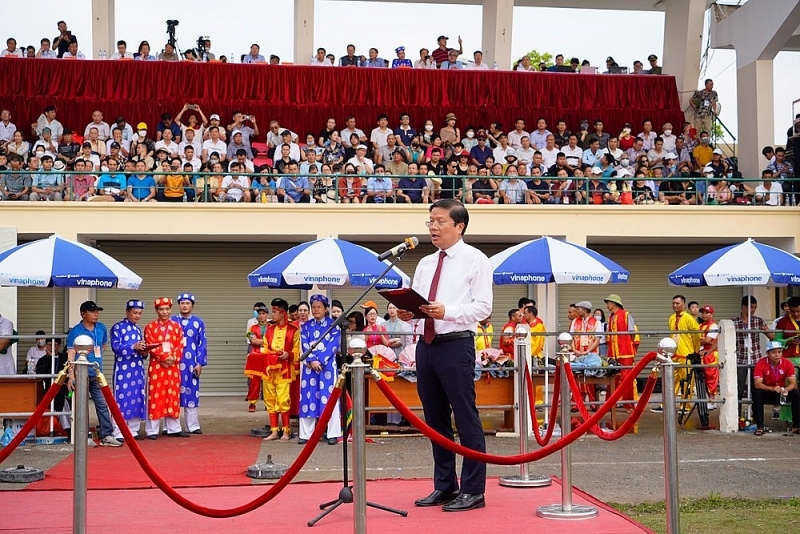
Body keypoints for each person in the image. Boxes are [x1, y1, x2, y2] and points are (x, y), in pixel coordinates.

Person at [397, 199, 493, 512]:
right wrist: (406, 311)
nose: (433, 227)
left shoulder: (476, 260)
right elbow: (420, 305)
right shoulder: (425, 263)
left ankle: (474, 489)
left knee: (466, 418)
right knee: (435, 419)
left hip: (456, 344)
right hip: (426, 346)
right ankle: (445, 486)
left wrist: (447, 311)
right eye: (430, 222)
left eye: (440, 221)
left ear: (459, 226)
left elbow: (483, 307)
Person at [66, 301, 122, 447]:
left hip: (97, 372)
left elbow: (103, 345)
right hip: (81, 373)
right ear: (83, 314)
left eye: (97, 311)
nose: (96, 314)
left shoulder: (101, 328)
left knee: (102, 404)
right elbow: (71, 353)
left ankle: (106, 435)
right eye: (92, 311)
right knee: (81, 405)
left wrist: (95, 358)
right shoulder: (76, 331)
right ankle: (82, 436)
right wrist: (71, 376)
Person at [299, 295, 342, 445]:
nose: (316, 310)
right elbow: (304, 344)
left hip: (327, 367)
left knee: (329, 398)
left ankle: (332, 433)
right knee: (308, 398)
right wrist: (312, 360)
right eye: (314, 307)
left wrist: (320, 360)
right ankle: (306, 434)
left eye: (319, 307)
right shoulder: (306, 326)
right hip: (310, 368)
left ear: (325, 309)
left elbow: (333, 346)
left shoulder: (334, 325)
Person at [144, 297, 187, 439]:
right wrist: (163, 358)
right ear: (156, 310)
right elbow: (150, 346)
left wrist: (172, 358)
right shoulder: (149, 327)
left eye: (167, 309)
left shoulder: (176, 326)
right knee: (156, 396)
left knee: (172, 395)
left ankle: (173, 428)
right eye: (161, 309)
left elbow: (180, 344)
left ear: (170, 310)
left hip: (173, 366)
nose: (164, 312)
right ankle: (152, 430)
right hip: (157, 366)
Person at [257, 298, 300, 441]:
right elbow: (264, 347)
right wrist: (265, 353)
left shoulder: (294, 330)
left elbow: (297, 351)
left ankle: (286, 431)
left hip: (284, 370)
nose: (271, 315)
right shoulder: (269, 330)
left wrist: (288, 355)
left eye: (274, 312)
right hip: (269, 370)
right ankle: (274, 431)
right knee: (270, 399)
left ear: (282, 313)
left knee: (283, 400)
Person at [652, 295, 701, 413]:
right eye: (673, 303)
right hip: (673, 356)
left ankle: (685, 407)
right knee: (670, 381)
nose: (675, 305)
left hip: (686, 355)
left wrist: (695, 352)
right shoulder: (671, 318)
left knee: (686, 383)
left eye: (677, 303)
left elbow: (696, 336)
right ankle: (666, 405)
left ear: (683, 305)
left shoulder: (689, 318)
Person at [110, 300, 148, 441]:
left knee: (137, 397)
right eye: (134, 313)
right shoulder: (117, 327)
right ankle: (118, 431)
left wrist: (144, 352)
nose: (137, 316)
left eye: (139, 313)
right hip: (123, 370)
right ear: (127, 312)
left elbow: (139, 349)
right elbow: (116, 347)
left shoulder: (138, 329)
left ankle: (133, 430)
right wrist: (133, 346)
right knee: (121, 399)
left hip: (137, 369)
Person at [172, 294, 207, 434]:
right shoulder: (172, 321)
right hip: (173, 362)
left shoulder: (199, 322)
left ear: (192, 305)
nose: (185, 305)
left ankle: (192, 426)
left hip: (191, 363)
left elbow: (202, 344)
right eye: (182, 303)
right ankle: (171, 426)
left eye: (187, 303)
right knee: (172, 393)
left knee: (191, 392)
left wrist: (199, 363)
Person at [752, 341, 800, 436]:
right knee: (757, 393)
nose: (777, 355)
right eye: (774, 352)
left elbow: (793, 383)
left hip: (781, 391)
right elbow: (757, 384)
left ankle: (796, 426)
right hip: (767, 391)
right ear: (768, 353)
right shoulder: (761, 363)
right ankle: (760, 427)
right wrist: (771, 388)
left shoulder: (787, 363)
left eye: (779, 352)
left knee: (796, 394)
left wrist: (786, 389)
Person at [732, 296, 773, 401]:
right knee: (739, 387)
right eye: (751, 307)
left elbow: (772, 337)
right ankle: (738, 413)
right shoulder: (734, 321)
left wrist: (766, 330)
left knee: (756, 387)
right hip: (740, 358)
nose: (753, 310)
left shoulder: (758, 321)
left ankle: (756, 414)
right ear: (744, 307)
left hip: (755, 358)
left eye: (755, 308)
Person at [604, 294, 638, 412]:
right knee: (612, 378)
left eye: (608, 303)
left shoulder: (626, 314)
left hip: (625, 352)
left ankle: (629, 405)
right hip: (613, 352)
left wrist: (628, 344)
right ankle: (609, 403)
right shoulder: (610, 317)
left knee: (627, 379)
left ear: (613, 303)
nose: (607, 305)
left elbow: (632, 331)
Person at [698, 305, 720, 410]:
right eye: (703, 313)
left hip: (711, 354)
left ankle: (712, 400)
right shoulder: (701, 325)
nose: (704, 315)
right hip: (702, 353)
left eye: (706, 313)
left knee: (711, 378)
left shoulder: (713, 326)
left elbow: (707, 340)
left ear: (712, 314)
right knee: (704, 378)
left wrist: (699, 339)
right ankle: (709, 399)